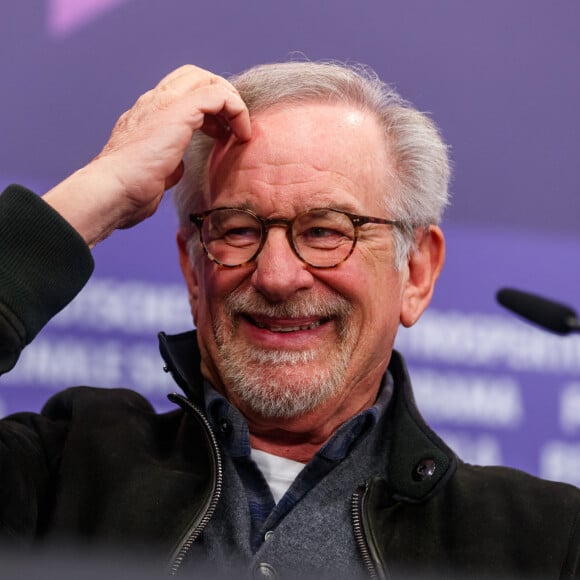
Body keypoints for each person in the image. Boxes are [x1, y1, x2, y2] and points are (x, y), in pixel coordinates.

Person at [0, 61, 579, 580]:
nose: (277, 276)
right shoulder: (60, 472)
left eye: (327, 230)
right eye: (238, 228)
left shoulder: (543, 543)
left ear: (417, 272)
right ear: (194, 272)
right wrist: (101, 190)